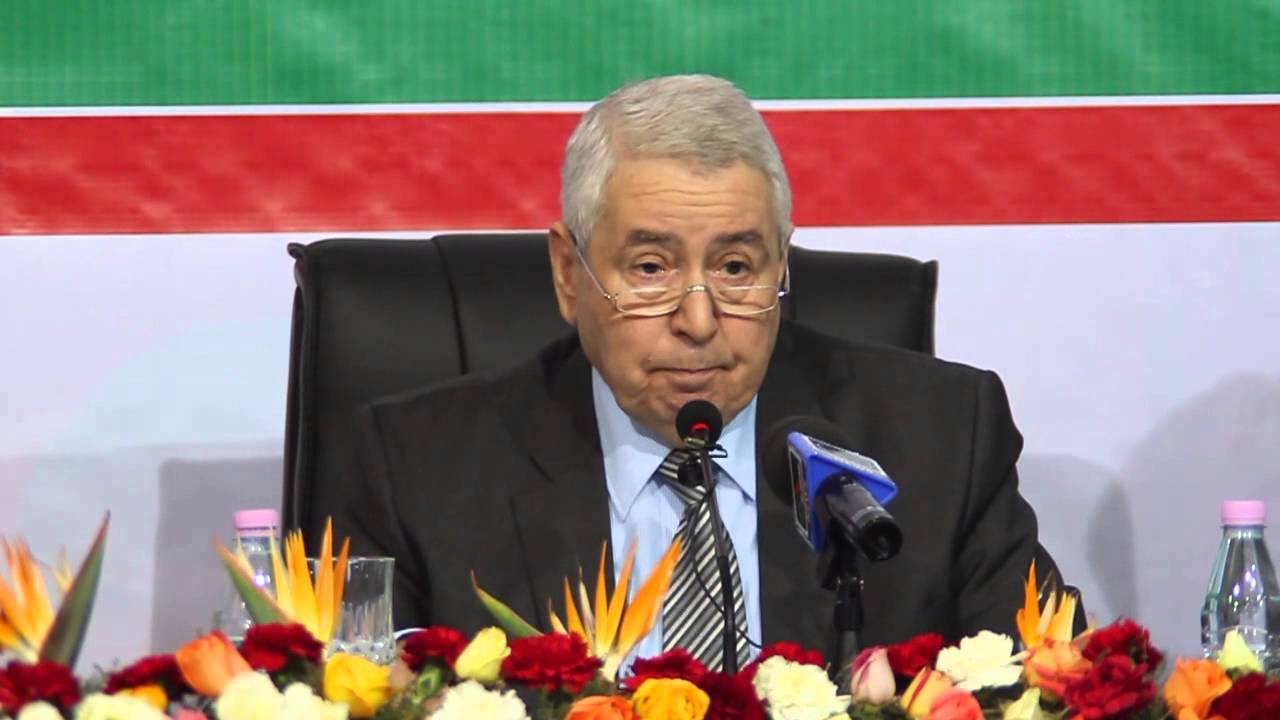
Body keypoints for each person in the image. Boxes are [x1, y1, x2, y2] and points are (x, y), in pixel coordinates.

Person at [337, 74, 1069, 668]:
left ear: (782, 266)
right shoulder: (416, 469)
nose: (697, 320)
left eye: (736, 268)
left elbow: (1051, 686)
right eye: (650, 268)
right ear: (568, 274)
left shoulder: (942, 440)